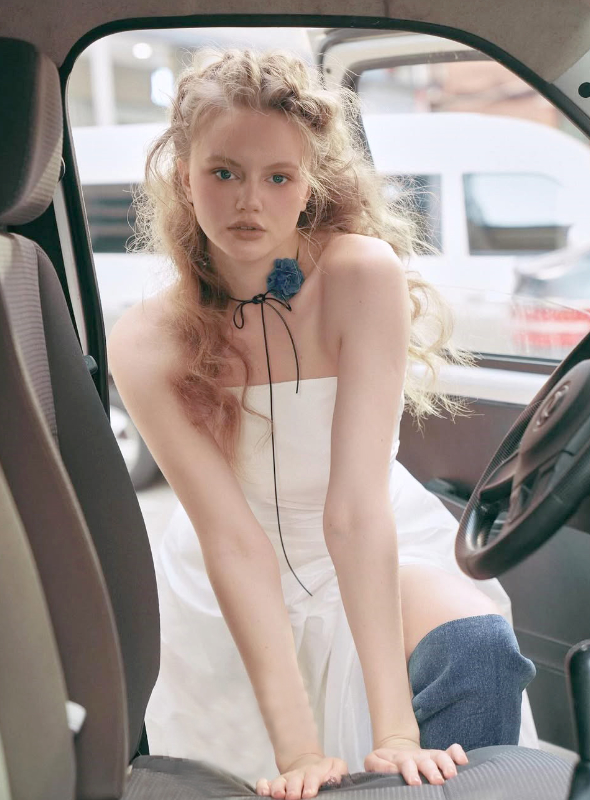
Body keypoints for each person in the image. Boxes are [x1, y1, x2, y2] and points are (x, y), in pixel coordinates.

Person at [107, 47, 538, 799]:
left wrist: (395, 730)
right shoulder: (148, 340)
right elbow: (234, 542)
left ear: (309, 185)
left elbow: (355, 514)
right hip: (233, 579)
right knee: (287, 779)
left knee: (479, 649)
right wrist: (299, 749)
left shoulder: (359, 276)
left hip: (373, 543)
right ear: (183, 176)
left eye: (279, 177)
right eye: (224, 172)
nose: (250, 201)